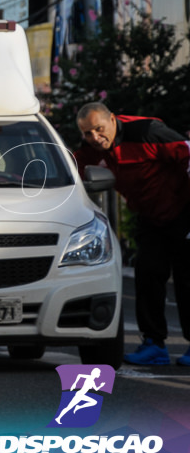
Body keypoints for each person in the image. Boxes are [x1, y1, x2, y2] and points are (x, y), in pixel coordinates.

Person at [74, 102, 190, 366]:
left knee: (187, 280)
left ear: (112, 120)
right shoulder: (89, 148)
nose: (95, 138)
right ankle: (154, 344)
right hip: (149, 217)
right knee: (147, 276)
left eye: (99, 129)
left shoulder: (147, 132)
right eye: (87, 133)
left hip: (183, 210)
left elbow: (187, 154)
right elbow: (70, 169)